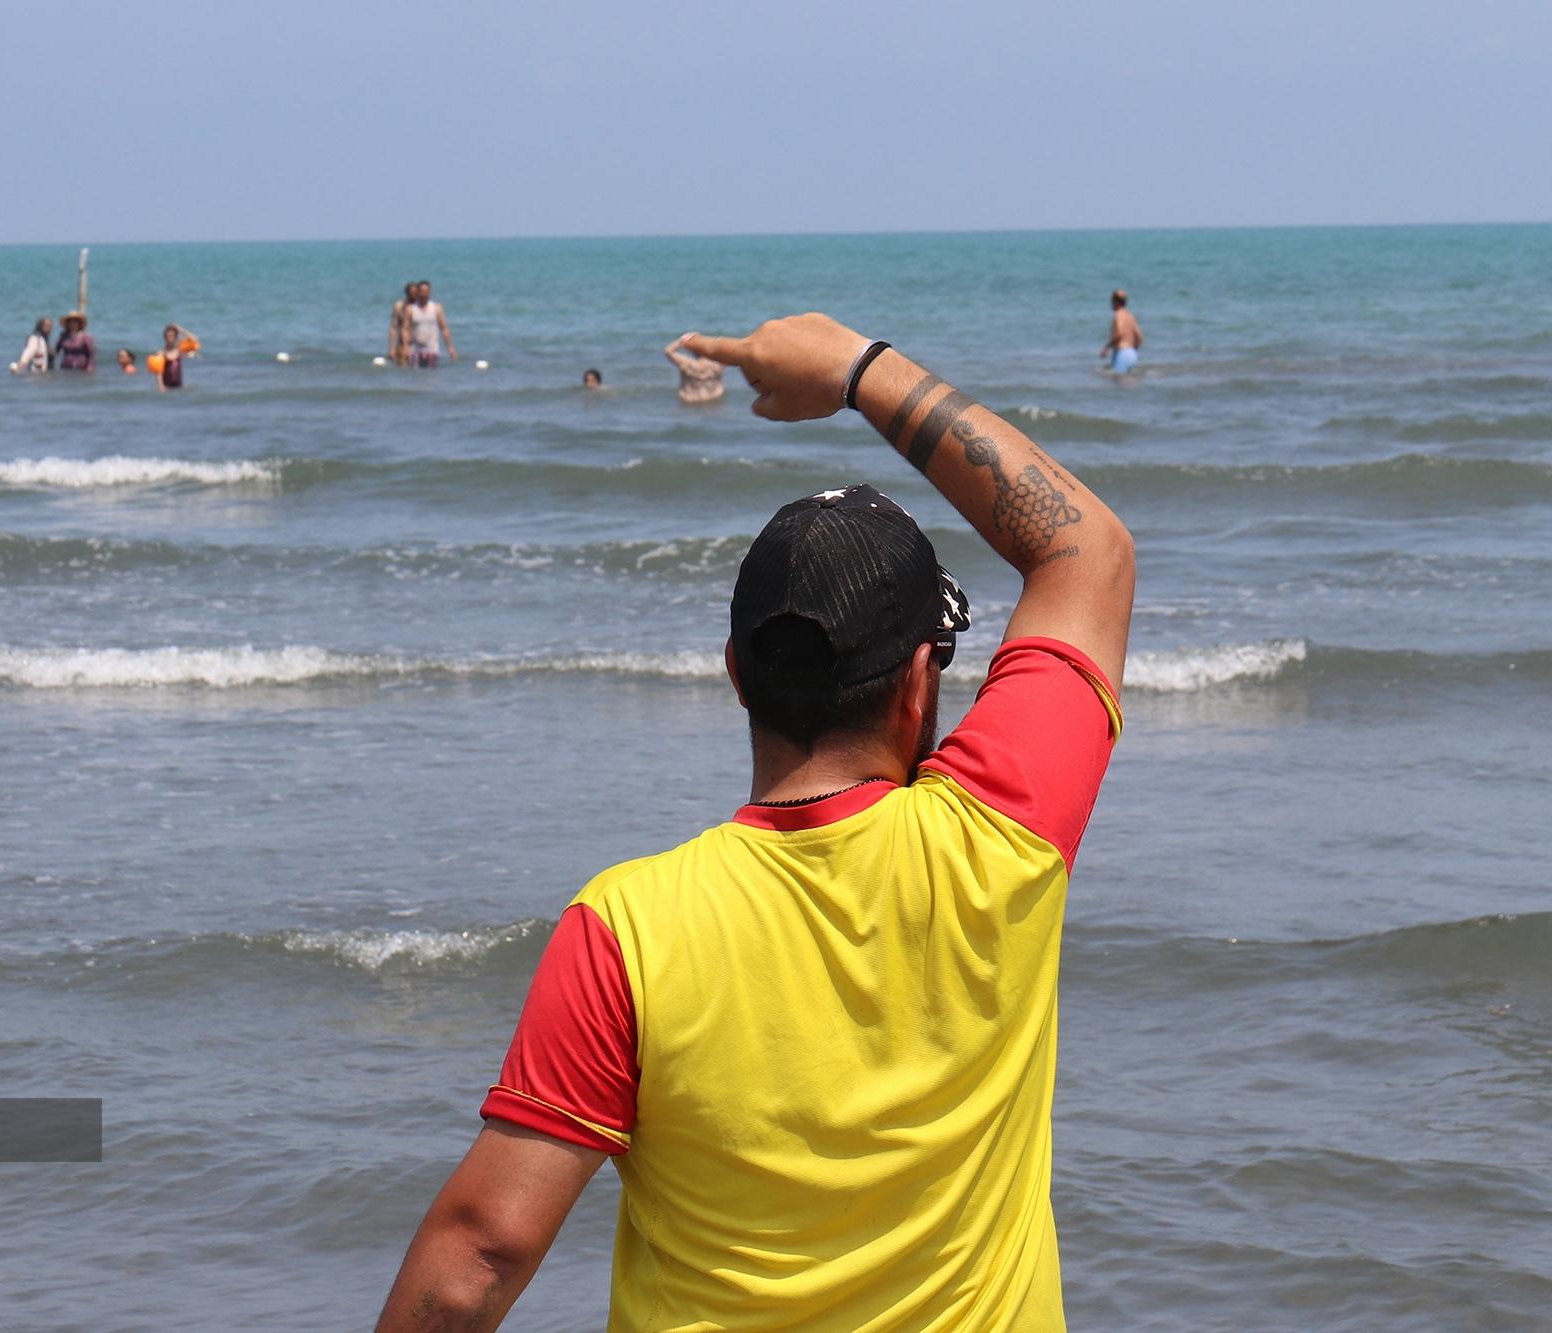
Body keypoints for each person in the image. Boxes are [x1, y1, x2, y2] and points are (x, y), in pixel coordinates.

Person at [377, 313, 1136, 1332]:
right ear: (921, 679)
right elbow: (1084, 549)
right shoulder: (999, 835)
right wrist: (858, 371)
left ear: (736, 674)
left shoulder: (629, 929)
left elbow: (479, 1256)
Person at [403, 281, 455, 368]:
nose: (424, 294)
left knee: (432, 374)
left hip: (432, 350)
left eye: (426, 291)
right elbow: (405, 329)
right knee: (415, 374)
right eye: (421, 291)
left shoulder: (437, 308)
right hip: (415, 350)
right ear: (417, 292)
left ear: (429, 292)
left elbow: (444, 328)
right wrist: (405, 347)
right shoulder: (410, 309)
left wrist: (450, 347)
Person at [664, 331, 726, 404]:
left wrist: (683, 340)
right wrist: (711, 343)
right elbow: (726, 348)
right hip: (714, 401)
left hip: (690, 400)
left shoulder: (687, 363)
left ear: (693, 351)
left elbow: (668, 351)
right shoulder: (718, 363)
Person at [1100, 289, 1143, 375]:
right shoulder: (1130, 316)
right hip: (1132, 354)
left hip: (1122, 354)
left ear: (1115, 302)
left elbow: (1119, 333)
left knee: (1118, 380)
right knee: (1129, 381)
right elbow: (1140, 337)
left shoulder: (1118, 314)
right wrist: (1133, 351)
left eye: (1112, 301)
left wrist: (1107, 347)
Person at [151, 324, 189, 391]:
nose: (169, 338)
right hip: (167, 387)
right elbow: (158, 372)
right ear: (165, 337)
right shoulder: (161, 353)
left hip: (179, 386)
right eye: (167, 336)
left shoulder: (179, 351)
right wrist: (160, 386)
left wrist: (180, 329)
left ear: (175, 337)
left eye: (171, 336)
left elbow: (194, 340)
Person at [389, 282, 417, 366]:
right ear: (407, 293)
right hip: (402, 345)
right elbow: (393, 328)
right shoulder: (399, 306)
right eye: (411, 293)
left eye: (415, 293)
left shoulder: (421, 308)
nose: (413, 295)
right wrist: (391, 348)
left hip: (418, 345)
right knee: (403, 368)